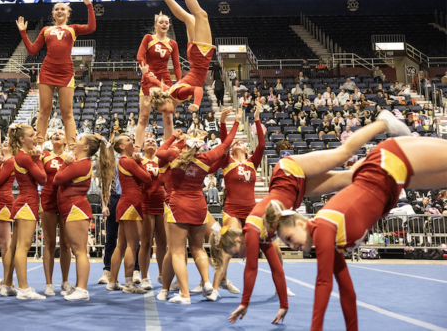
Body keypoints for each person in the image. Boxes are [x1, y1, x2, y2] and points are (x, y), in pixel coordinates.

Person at [212, 110, 411, 324]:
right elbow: (277, 270)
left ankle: (382, 122)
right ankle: (381, 158)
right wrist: (284, 305)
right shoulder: (262, 235)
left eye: (236, 253)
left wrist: (244, 302)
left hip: (287, 173)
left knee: (342, 154)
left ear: (239, 240)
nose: (240, 257)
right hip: (294, 191)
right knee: (349, 177)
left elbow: (252, 269)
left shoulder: (252, 229)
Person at [267, 136, 447, 331]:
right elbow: (347, 292)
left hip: (389, 160)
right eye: (287, 244)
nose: (292, 246)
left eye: (290, 238)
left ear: (301, 224)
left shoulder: (324, 229)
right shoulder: (331, 241)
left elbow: (323, 284)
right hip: (394, 179)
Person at [155, 121, 238, 304]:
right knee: (198, 248)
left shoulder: (175, 155)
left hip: (178, 205)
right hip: (199, 205)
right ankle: (206, 282)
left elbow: (159, 152)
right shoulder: (206, 158)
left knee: (177, 252)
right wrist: (236, 122)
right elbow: (226, 144)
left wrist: (172, 137)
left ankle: (184, 294)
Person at [17, 0, 96, 150]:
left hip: (66, 73)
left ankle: (72, 148)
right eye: (57, 9)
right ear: (52, 13)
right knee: (44, 111)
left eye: (63, 9)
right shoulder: (46, 30)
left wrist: (89, 6)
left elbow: (91, 27)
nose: (60, 11)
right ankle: (39, 146)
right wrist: (23, 33)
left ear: (68, 13)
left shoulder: (73, 29)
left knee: (67, 113)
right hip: (47, 71)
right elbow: (32, 50)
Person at [207, 106, 263, 300]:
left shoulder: (253, 162)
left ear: (248, 150)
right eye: (236, 141)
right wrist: (224, 122)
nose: (239, 141)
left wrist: (257, 119)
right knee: (228, 248)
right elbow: (225, 141)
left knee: (272, 247)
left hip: (252, 211)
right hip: (232, 210)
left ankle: (280, 286)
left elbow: (262, 143)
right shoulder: (227, 162)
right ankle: (215, 289)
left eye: (243, 142)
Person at [146, 0, 215, 114]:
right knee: (189, 19)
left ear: (167, 102)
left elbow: (198, 89)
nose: (169, 112)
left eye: (165, 110)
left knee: (201, 15)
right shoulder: (170, 91)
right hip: (194, 60)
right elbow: (158, 86)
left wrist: (196, 104)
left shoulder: (178, 94)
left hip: (200, 58)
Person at [53, 133, 114, 301]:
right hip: (72, 209)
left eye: (79, 140)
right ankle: (79, 286)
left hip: (76, 209)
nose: (75, 141)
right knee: (77, 251)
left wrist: (65, 164)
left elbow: (57, 179)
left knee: (80, 251)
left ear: (86, 147)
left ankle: (82, 289)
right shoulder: (81, 162)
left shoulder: (81, 164)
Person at [0, 124, 47, 300]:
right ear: (21, 139)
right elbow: (42, 179)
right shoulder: (25, 157)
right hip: (27, 203)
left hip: (24, 202)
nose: (35, 138)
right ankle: (24, 289)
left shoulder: (21, 155)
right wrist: (38, 160)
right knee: (22, 247)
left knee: (14, 247)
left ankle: (7, 285)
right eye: (31, 135)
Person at [106, 135, 151, 294]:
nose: (132, 141)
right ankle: (128, 284)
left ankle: (112, 281)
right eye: (128, 140)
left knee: (121, 245)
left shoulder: (123, 161)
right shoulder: (128, 161)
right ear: (122, 146)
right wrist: (140, 162)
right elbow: (147, 178)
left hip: (125, 203)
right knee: (132, 245)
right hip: (131, 204)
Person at [134, 12, 181, 147]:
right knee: (143, 117)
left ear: (169, 25)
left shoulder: (173, 44)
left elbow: (177, 65)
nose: (164, 24)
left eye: (166, 23)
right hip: (149, 79)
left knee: (168, 117)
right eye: (161, 22)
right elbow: (140, 56)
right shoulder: (148, 38)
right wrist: (146, 71)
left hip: (165, 80)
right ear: (155, 25)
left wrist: (179, 83)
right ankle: (137, 149)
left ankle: (168, 149)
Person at [36, 130, 73, 296]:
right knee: (49, 243)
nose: (57, 134)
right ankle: (49, 283)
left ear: (66, 140)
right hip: (48, 199)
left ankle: (65, 281)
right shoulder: (44, 155)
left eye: (61, 133)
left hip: (66, 199)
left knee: (66, 244)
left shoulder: (71, 156)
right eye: (54, 134)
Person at [136, 137, 167, 290]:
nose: (151, 142)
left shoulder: (162, 161)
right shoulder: (138, 160)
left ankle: (162, 274)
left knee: (162, 242)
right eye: (147, 141)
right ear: (142, 146)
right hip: (144, 202)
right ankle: (144, 277)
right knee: (146, 242)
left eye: (154, 141)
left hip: (161, 202)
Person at [0, 139, 17, 291]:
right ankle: (8, 280)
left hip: (3, 203)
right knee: (3, 244)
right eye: (4, 141)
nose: (5, 142)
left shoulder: (10, 161)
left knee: (4, 244)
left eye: (9, 141)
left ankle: (9, 281)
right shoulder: (5, 160)